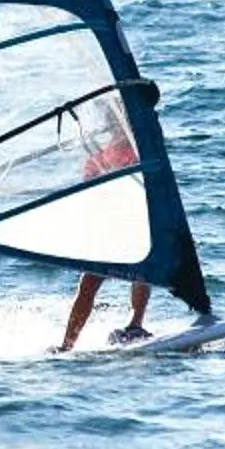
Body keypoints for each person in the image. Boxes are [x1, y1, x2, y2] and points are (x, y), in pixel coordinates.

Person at [55, 96, 153, 350]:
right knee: (88, 285)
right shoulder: (98, 156)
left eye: (120, 122)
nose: (115, 126)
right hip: (108, 228)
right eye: (112, 122)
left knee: (144, 268)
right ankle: (67, 345)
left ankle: (135, 324)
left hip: (136, 223)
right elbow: (89, 193)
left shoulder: (141, 149)